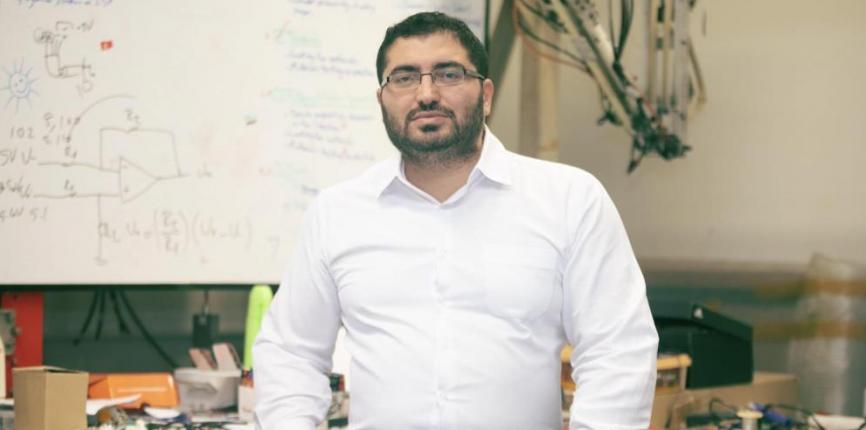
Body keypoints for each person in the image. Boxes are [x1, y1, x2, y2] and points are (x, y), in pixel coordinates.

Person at [254, 11, 658, 430]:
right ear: (382, 100)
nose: (426, 94)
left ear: (486, 95)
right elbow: (291, 353)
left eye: (448, 74)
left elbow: (618, 350)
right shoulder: (338, 212)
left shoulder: (569, 200)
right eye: (404, 78)